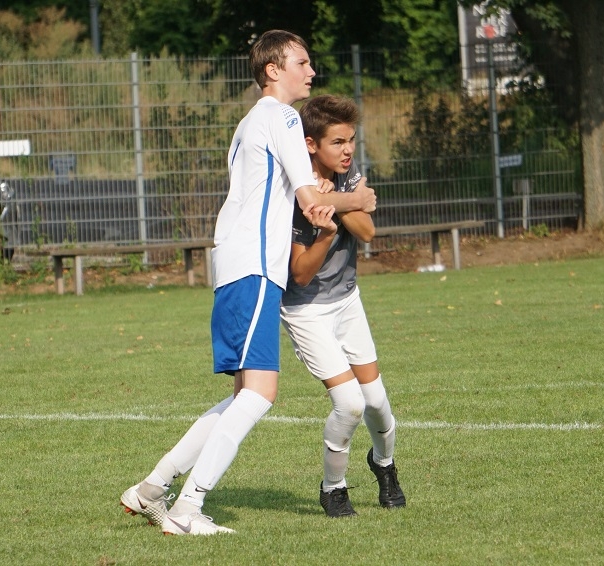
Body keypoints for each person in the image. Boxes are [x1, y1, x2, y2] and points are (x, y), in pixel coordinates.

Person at [119, 30, 376, 535]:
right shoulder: (282, 116)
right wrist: (357, 201)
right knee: (260, 395)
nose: (311, 71)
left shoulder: (251, 122)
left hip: (239, 266)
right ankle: (188, 509)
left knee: (244, 396)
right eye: (302, 62)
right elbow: (310, 200)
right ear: (273, 71)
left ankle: (151, 488)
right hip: (255, 267)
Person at [280, 94, 406, 517]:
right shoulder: (292, 189)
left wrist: (336, 199)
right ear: (310, 144)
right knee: (350, 403)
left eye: (351, 140)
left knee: (377, 401)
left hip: (347, 300)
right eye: (337, 142)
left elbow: (367, 232)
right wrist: (327, 230)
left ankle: (384, 464)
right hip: (305, 309)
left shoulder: (344, 174)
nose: (348, 150)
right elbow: (300, 274)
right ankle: (333, 487)